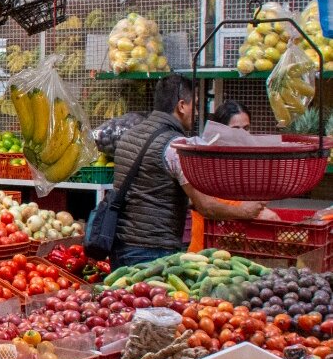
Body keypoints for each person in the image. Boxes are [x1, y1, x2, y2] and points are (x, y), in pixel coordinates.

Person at [110, 75, 267, 266]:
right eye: (196, 104)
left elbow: (149, 187)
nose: (197, 112)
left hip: (120, 244)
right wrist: (245, 211)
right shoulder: (177, 146)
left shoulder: (129, 136)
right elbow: (205, 205)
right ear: (182, 105)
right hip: (153, 250)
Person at [186, 101, 278, 250]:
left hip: (235, 244)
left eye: (246, 128)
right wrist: (250, 211)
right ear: (220, 130)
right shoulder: (205, 159)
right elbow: (207, 202)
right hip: (205, 246)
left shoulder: (245, 162)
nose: (243, 134)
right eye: (236, 129)